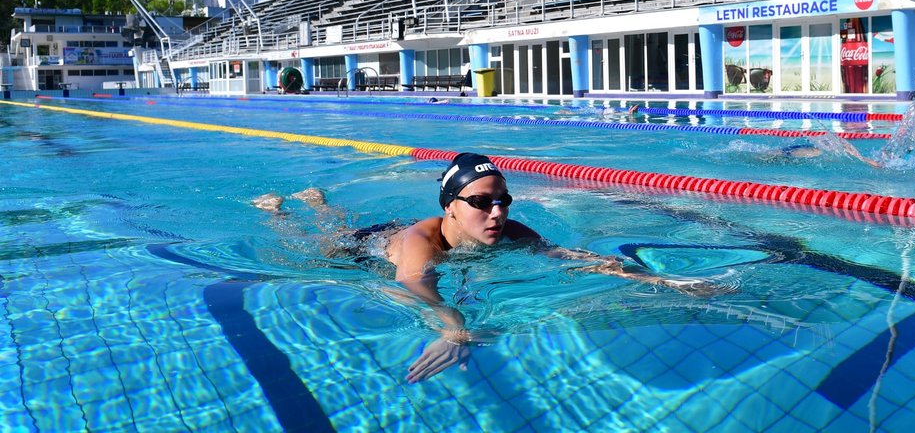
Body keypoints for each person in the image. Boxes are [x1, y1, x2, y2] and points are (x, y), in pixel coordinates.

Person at [255, 153, 721, 383]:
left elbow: (577, 259)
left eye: (502, 201)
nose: (496, 212)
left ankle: (316, 204)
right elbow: (413, 284)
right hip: (371, 246)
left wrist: (667, 281)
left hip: (423, 236)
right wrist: (452, 327)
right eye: (481, 202)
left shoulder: (510, 231)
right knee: (323, 242)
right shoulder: (423, 242)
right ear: (451, 207)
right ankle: (289, 209)